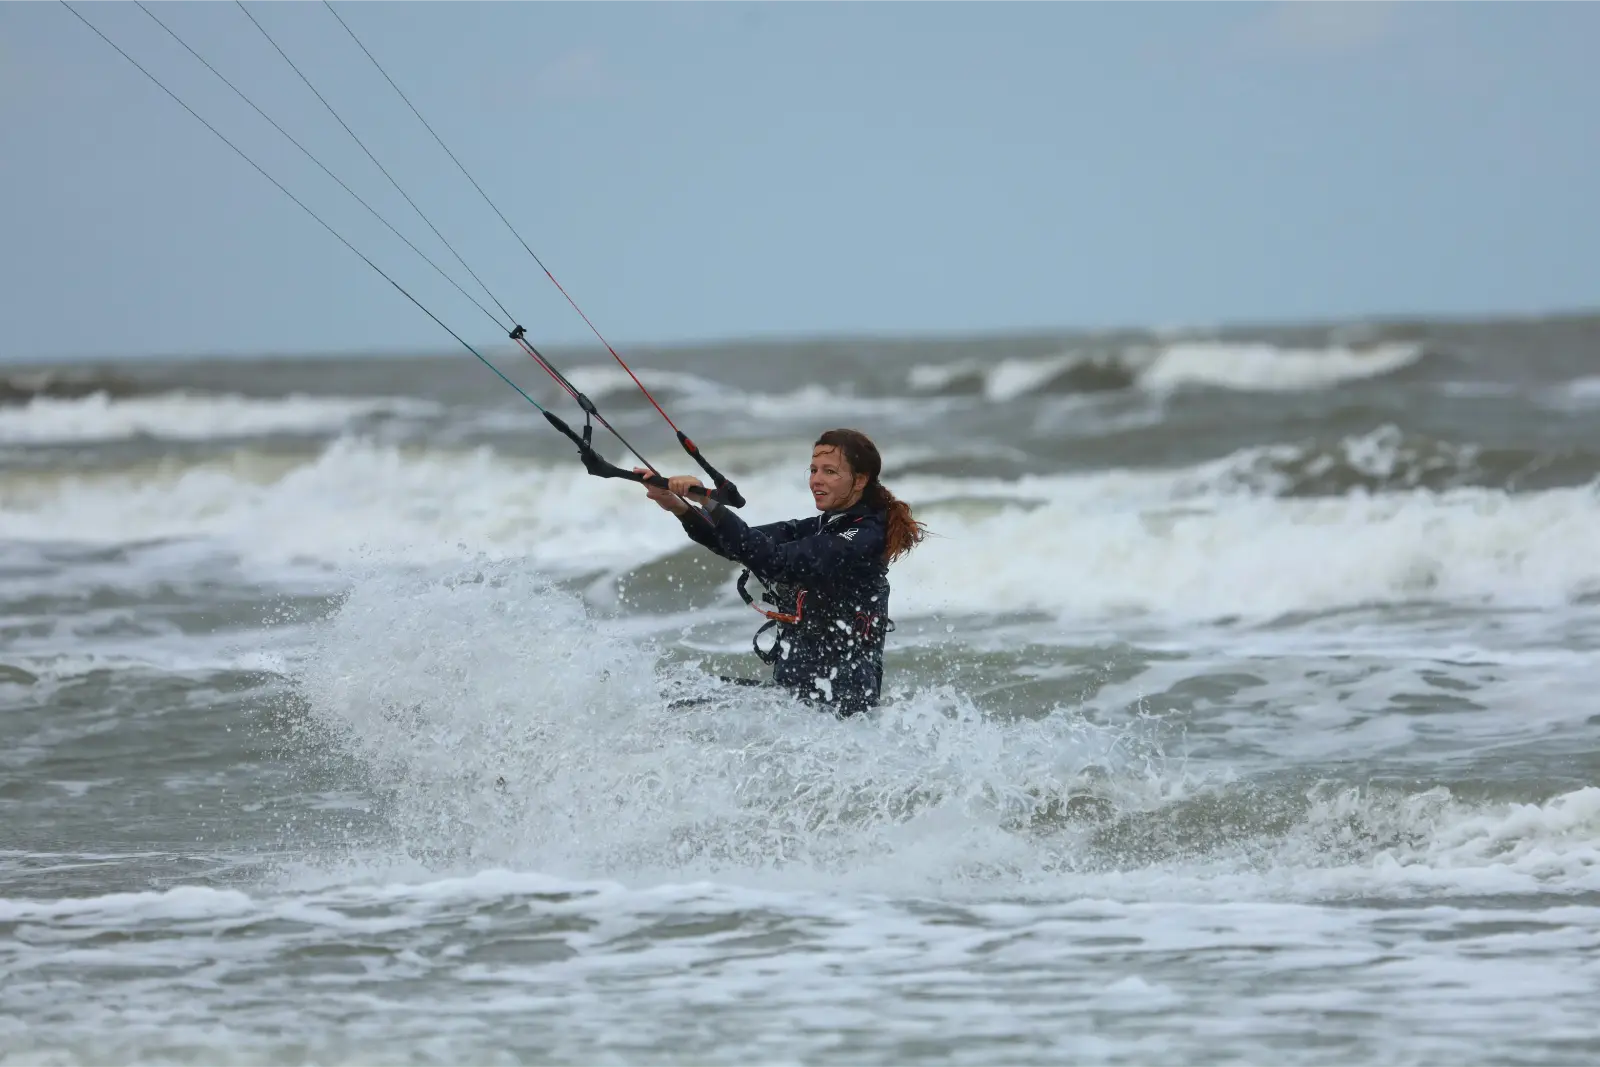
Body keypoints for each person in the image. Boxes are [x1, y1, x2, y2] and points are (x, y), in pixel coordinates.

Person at [638, 428, 925, 715]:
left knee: (683, 703)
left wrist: (708, 501)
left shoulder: (862, 536)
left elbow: (776, 562)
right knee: (678, 690)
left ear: (859, 480)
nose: (816, 480)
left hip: (840, 709)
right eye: (813, 470)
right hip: (795, 699)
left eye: (830, 471)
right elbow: (736, 544)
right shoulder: (821, 526)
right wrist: (678, 505)